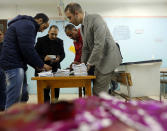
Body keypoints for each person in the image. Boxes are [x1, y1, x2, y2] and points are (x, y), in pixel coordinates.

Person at [64, 3, 122, 96]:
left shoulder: (95, 19)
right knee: (96, 91)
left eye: (69, 17)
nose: (69, 21)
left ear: (76, 13)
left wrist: (89, 64)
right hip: (99, 61)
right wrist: (82, 65)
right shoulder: (82, 27)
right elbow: (85, 48)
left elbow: (99, 45)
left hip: (108, 59)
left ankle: (106, 108)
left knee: (98, 93)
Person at [0, 13, 52, 109]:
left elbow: (24, 51)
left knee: (23, 95)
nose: (42, 30)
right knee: (14, 99)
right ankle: (9, 122)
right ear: (40, 20)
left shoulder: (24, 24)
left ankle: (20, 119)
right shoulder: (28, 25)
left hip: (17, 64)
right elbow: (28, 49)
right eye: (44, 27)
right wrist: (42, 65)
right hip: (13, 64)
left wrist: (37, 66)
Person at [35, 25, 65, 102]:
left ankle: (54, 108)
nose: (54, 36)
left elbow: (63, 54)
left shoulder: (60, 41)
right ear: (48, 32)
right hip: (43, 69)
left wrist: (59, 58)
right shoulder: (41, 40)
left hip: (55, 69)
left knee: (56, 90)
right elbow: (35, 54)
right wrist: (44, 58)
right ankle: (46, 108)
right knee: (45, 91)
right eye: (52, 34)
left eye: (56, 34)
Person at [0, 29, 6, 111]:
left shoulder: (7, 45)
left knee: (3, 89)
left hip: (4, 70)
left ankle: (2, 107)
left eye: (0, 34)